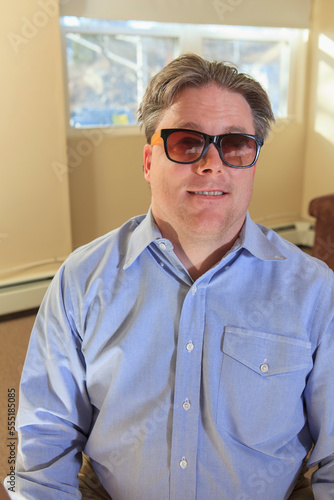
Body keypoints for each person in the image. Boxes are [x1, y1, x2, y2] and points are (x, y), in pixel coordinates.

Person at [6, 53, 334, 499]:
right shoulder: (81, 281)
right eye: (186, 143)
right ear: (147, 161)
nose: (211, 164)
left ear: (253, 161)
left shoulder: (314, 291)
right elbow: (39, 441)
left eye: (235, 145)